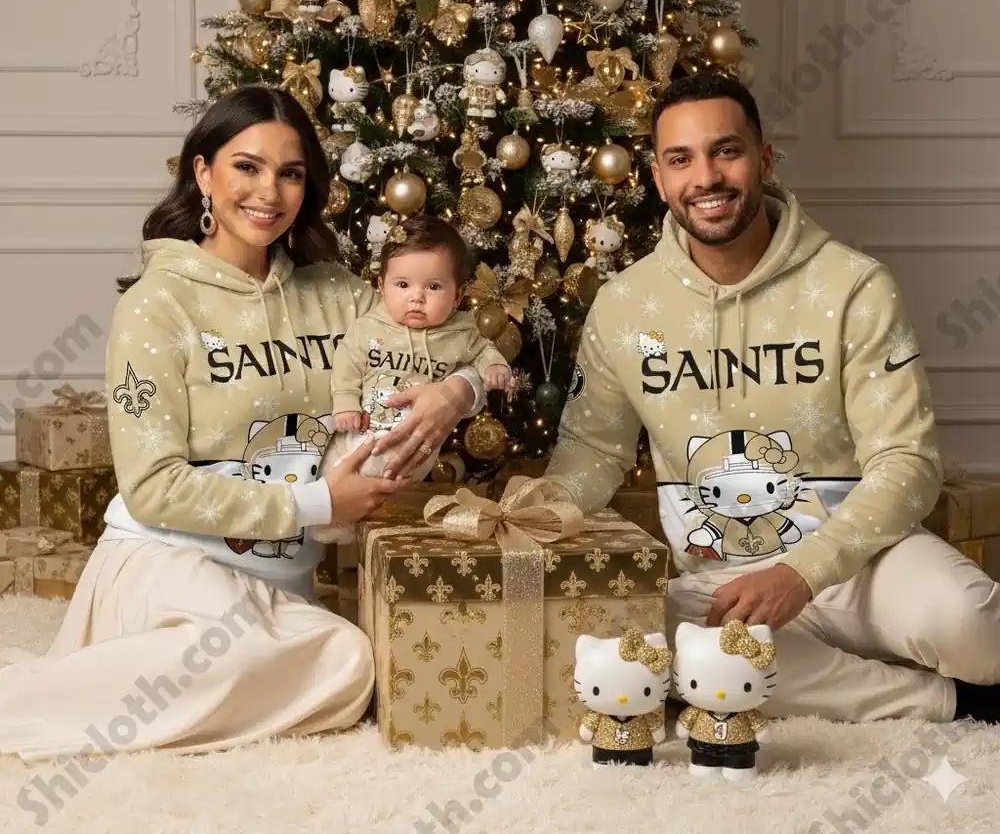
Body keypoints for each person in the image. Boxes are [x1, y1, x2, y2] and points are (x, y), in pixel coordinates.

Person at [0, 85, 486, 762]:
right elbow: (153, 487)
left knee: (348, 664)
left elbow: (458, 335)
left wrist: (457, 393)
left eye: (290, 173)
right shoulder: (156, 305)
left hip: (279, 581)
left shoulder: (339, 296)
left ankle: (128, 688)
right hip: (169, 558)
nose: (270, 192)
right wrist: (319, 502)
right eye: (247, 167)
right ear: (202, 172)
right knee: (255, 650)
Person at [542, 73, 1000, 725]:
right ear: (658, 178)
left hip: (864, 558)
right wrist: (536, 513)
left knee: (971, 622)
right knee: (679, 655)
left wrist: (802, 573)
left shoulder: (853, 284)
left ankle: (885, 669)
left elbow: (908, 463)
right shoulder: (624, 306)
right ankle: (946, 701)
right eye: (681, 159)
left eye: (725, 150)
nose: (706, 176)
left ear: (763, 159)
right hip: (714, 580)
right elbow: (592, 451)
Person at [316, 214, 512, 495]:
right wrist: (346, 402)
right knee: (335, 470)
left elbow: (483, 351)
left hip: (415, 439)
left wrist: (494, 366)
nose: (417, 297)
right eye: (403, 285)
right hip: (360, 429)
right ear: (382, 287)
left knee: (393, 474)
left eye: (433, 287)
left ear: (457, 296)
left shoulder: (459, 332)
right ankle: (333, 516)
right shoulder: (370, 326)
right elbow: (347, 362)